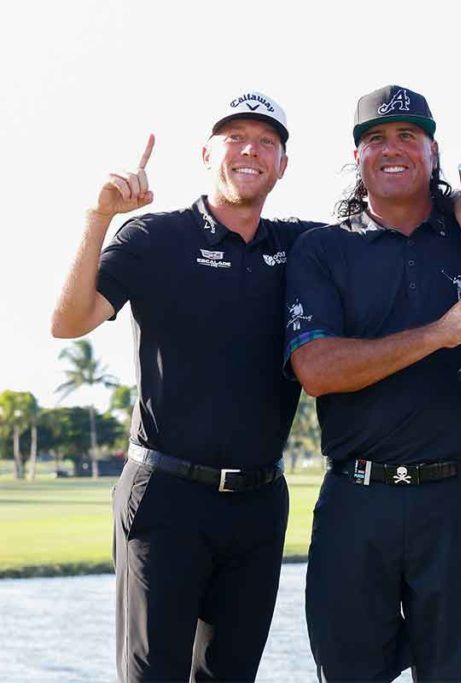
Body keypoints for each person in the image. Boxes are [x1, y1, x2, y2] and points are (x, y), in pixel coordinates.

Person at [50, 91, 316, 681]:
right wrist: (99, 218)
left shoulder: (302, 246)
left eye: (266, 141)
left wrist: (454, 211)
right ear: (206, 153)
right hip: (166, 497)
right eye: (235, 137)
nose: (250, 149)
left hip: (259, 503)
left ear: (283, 165)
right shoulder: (152, 238)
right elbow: (68, 323)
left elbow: (384, 225)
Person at [284, 85, 461, 682]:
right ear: (356, 157)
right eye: (375, 138)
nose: (392, 148)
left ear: (434, 151)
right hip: (357, 501)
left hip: (458, 501)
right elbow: (317, 369)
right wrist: (439, 332)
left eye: (408, 135)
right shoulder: (323, 249)